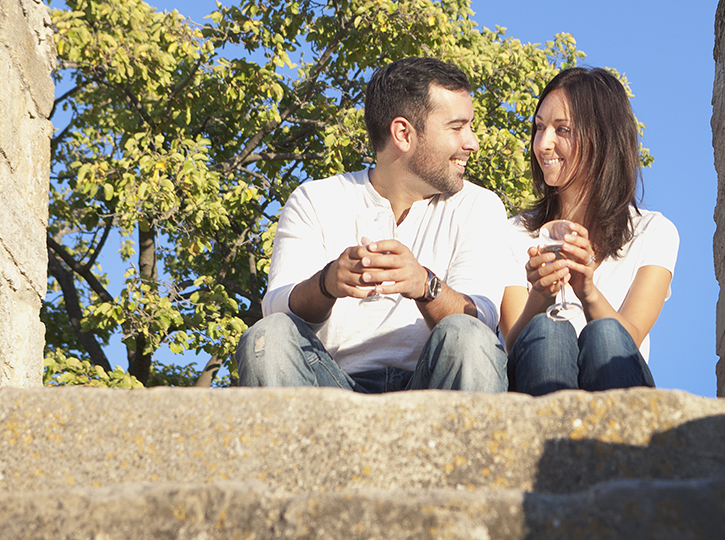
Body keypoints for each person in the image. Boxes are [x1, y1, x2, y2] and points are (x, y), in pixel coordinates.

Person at [234, 57, 509, 393]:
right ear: (403, 133)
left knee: (469, 336)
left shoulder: (480, 206)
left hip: (431, 391)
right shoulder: (316, 199)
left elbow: (481, 320)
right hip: (331, 389)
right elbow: (275, 308)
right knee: (268, 335)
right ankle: (299, 447)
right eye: (457, 127)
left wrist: (425, 285)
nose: (472, 142)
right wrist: (327, 282)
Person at [500, 67, 678, 394]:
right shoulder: (512, 235)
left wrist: (588, 290)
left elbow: (629, 338)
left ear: (602, 136)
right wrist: (541, 294)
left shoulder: (654, 232)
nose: (544, 143)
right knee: (549, 331)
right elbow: (513, 344)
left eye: (562, 129)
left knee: (605, 334)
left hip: (616, 387)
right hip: (533, 383)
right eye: (539, 128)